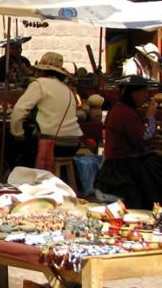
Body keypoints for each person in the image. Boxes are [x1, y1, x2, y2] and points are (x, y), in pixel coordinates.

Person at [95, 75, 162, 209]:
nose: (146, 95)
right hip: (122, 168)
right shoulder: (123, 112)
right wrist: (150, 118)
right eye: (143, 91)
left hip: (129, 163)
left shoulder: (124, 109)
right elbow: (144, 139)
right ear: (132, 93)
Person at [9, 52, 82, 168]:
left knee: (12, 145)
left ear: (41, 71)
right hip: (73, 144)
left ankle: (22, 179)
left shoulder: (39, 84)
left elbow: (18, 111)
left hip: (53, 144)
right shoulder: (67, 89)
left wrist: (18, 133)